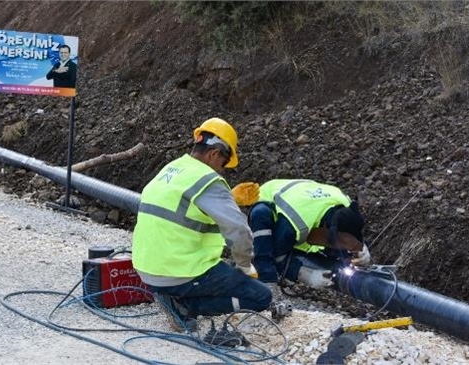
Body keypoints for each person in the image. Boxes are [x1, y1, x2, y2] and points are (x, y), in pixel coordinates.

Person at [132, 118, 272, 332]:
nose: (222, 170)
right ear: (214, 153)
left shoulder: (172, 169)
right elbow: (239, 230)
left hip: (146, 269)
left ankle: (171, 296)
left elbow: (183, 208)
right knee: (261, 296)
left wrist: (229, 199)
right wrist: (244, 265)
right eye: (224, 163)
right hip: (179, 272)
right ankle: (185, 307)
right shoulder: (209, 181)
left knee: (224, 277)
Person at [231, 179, 372, 289]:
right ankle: (266, 279)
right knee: (261, 214)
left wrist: (360, 248)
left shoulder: (345, 207)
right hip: (271, 200)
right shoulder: (294, 222)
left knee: (335, 252)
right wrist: (302, 273)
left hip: (304, 198)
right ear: (324, 229)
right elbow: (278, 256)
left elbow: (348, 234)